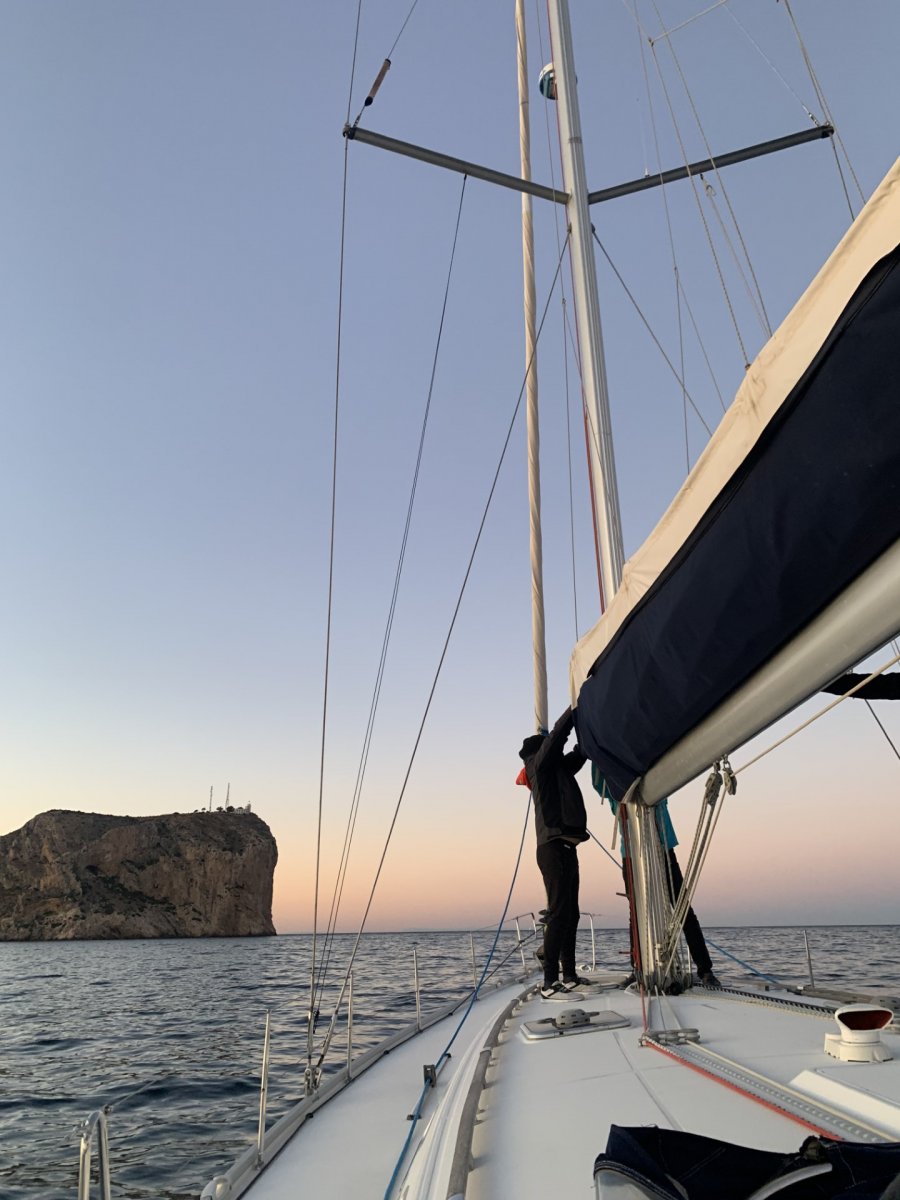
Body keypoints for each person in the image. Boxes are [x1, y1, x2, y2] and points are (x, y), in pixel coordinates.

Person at [593, 765, 720, 988]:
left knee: (682, 909)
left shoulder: (653, 779)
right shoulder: (616, 788)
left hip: (662, 847)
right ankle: (638, 968)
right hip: (631, 855)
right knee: (636, 912)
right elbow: (597, 782)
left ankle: (705, 969)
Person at [518, 706, 591, 998]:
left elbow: (580, 753)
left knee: (570, 913)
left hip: (566, 848)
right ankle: (549, 982)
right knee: (560, 913)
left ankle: (569, 974)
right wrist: (575, 708)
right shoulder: (540, 766)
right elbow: (557, 740)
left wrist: (589, 723)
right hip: (551, 848)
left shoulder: (558, 768)